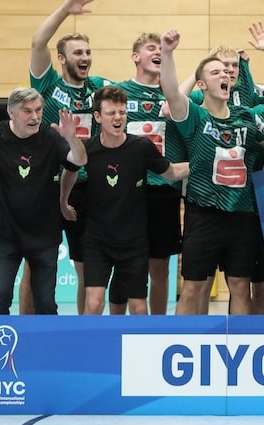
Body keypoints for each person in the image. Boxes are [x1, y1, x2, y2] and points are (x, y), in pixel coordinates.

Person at [158, 30, 264, 316]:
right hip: (203, 212)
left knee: (239, 285)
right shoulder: (195, 115)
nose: (225, 74)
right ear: (202, 84)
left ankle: (241, 345)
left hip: (242, 213)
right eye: (215, 71)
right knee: (193, 286)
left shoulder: (246, 116)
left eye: (227, 70)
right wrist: (168, 53)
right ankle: (182, 342)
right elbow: (172, 94)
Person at [0, 90, 86, 315]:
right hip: (6, 234)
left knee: (46, 302)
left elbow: (80, 160)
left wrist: (72, 138)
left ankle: (44, 348)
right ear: (11, 112)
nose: (35, 116)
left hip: (44, 236)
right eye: (27, 111)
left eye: (39, 110)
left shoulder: (50, 137)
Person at [61, 85, 187, 316]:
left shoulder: (141, 147)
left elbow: (171, 173)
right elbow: (70, 170)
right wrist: (63, 202)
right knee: (94, 303)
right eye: (111, 113)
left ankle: (142, 349)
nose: (118, 118)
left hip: (133, 242)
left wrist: (201, 163)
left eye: (122, 112)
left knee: (139, 307)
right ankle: (91, 350)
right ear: (98, 117)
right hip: (97, 241)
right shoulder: (87, 149)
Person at [28, 0, 107, 314]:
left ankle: (81, 333)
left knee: (86, 271)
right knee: (35, 266)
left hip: (88, 188)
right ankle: (27, 330)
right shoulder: (47, 85)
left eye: (88, 52)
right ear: (61, 58)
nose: (85, 58)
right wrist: (65, 9)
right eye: (78, 53)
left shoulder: (100, 87)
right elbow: (37, 42)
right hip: (48, 185)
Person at [117, 32, 186, 315]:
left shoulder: (174, 96)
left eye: (161, 49)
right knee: (124, 262)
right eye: (150, 48)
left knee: (160, 265)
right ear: (135, 56)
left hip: (163, 190)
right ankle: (119, 326)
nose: (157, 52)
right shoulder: (119, 93)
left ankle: (158, 326)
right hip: (125, 191)